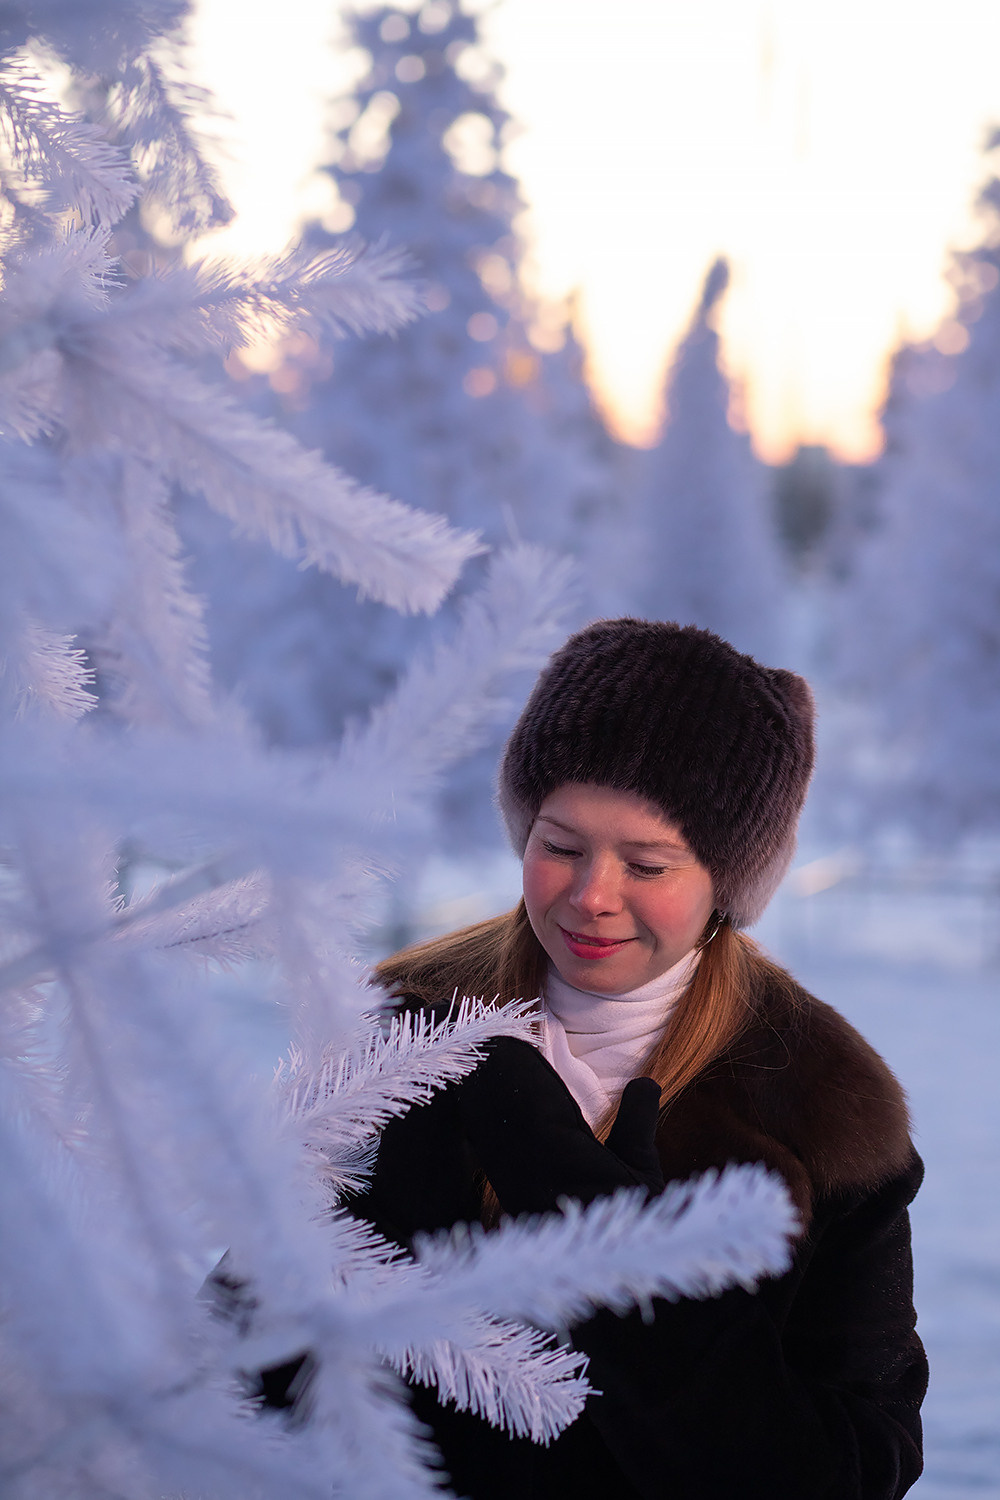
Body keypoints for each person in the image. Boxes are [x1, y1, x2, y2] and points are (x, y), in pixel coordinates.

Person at [357, 619, 928, 1499]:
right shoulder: (402, 1029)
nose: (592, 897)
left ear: (726, 882)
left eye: (649, 864)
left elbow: (851, 1473)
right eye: (560, 846)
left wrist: (612, 1251)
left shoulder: (824, 1107)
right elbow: (250, 1358)